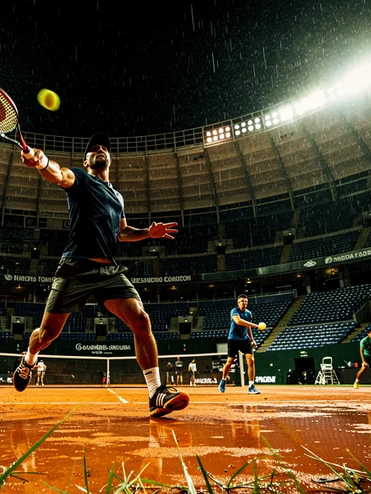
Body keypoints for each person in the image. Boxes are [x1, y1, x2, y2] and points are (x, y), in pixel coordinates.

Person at [14, 133, 188, 417]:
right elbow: (59, 174)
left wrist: (148, 233)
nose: (101, 150)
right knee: (46, 335)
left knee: (141, 319)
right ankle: (29, 359)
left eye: (105, 147)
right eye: (94, 148)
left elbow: (122, 232)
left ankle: (155, 392)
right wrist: (40, 160)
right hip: (76, 266)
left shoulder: (117, 196)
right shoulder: (81, 179)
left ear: (110, 159)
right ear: (86, 160)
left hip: (108, 269)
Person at [219, 295, 263, 395]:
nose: (244, 303)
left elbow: (248, 327)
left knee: (251, 360)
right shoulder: (234, 311)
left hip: (244, 339)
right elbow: (238, 321)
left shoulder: (249, 313)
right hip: (233, 339)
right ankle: (223, 380)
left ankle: (251, 386)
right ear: (238, 303)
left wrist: (252, 340)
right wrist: (256, 326)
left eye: (245, 301)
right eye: (241, 301)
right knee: (230, 361)